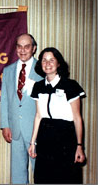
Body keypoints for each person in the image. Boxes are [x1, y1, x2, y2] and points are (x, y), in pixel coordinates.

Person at [28, 47, 85, 183]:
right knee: (44, 178)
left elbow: (77, 118)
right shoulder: (38, 86)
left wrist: (79, 146)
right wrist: (32, 143)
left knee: (65, 177)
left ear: (58, 63)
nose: (47, 64)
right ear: (40, 64)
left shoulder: (70, 85)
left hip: (65, 137)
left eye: (51, 60)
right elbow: (38, 116)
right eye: (44, 60)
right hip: (44, 137)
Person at [0, 33, 43, 183]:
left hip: (38, 131)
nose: (23, 50)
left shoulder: (43, 69)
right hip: (15, 130)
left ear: (34, 48)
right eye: (19, 46)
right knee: (18, 174)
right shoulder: (8, 70)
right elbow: (5, 99)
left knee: (41, 172)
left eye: (27, 46)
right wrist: (5, 125)